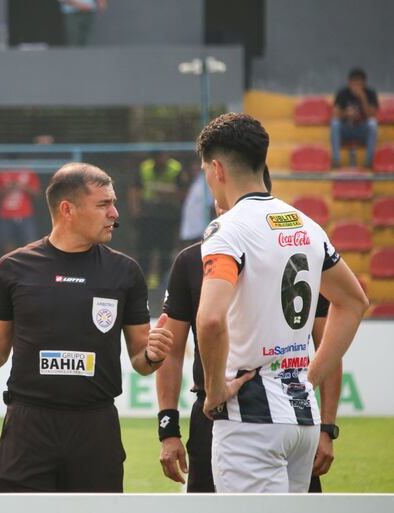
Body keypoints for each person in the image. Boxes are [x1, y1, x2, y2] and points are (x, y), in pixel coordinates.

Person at [0, 162, 173, 492]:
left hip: (95, 427)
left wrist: (153, 354)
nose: (114, 213)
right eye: (103, 204)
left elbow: (141, 359)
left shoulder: (125, 272)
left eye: (113, 203)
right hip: (29, 426)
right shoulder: (14, 268)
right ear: (67, 209)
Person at [195, 113, 368, 493]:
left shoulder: (227, 230)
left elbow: (209, 319)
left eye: (206, 171)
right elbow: (354, 302)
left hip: (251, 420)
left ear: (217, 169)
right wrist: (311, 378)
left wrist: (215, 390)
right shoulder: (306, 225)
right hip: (301, 418)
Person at [155, 170, 342, 493]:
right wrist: (168, 428)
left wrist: (327, 426)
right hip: (213, 412)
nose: (221, 204)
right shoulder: (191, 261)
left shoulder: (296, 252)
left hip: (287, 409)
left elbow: (327, 340)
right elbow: (171, 349)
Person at [130, 151, 187, 289]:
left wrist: (169, 193)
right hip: (147, 216)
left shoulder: (176, 168)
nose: (162, 158)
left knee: (166, 250)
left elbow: (184, 192)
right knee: (144, 249)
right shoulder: (145, 167)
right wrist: (135, 210)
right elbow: (135, 190)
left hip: (168, 217)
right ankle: (142, 280)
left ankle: (163, 281)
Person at [331, 68, 378, 169]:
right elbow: (335, 114)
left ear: (364, 83)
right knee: (335, 123)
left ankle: (368, 162)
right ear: (349, 83)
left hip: (361, 130)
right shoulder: (343, 93)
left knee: (373, 124)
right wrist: (346, 114)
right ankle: (336, 160)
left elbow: (371, 115)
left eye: (359, 84)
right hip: (346, 130)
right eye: (354, 84)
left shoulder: (370, 93)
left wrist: (363, 98)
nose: (356, 87)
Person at [0, 166, 40, 254]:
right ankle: (11, 263)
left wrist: (22, 186)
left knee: (31, 245)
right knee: (7, 246)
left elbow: (36, 193)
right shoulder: (1, 170)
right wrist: (9, 187)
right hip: (6, 216)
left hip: (25, 215)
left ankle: (28, 263)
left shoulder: (28, 170)